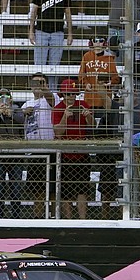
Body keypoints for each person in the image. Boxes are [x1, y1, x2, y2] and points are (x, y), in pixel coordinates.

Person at [52, 78, 94, 219]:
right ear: (62, 94)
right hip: (65, 154)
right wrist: (65, 116)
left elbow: (92, 126)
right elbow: (58, 132)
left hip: (81, 153)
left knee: (82, 190)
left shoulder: (83, 105)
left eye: (73, 93)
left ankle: (82, 220)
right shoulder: (58, 108)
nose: (70, 96)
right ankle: (69, 221)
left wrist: (88, 117)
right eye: (68, 93)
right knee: (66, 191)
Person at [22, 72, 61, 217]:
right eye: (35, 83)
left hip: (50, 149)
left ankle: (53, 217)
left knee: (51, 190)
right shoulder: (26, 104)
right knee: (36, 190)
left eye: (42, 82)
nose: (38, 85)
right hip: (33, 151)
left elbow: (51, 100)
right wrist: (23, 113)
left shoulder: (52, 98)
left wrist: (44, 88)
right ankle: (37, 218)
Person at [0, 87, 25, 218]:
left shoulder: (17, 109)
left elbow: (22, 120)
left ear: (11, 98)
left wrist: (10, 114)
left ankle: (16, 216)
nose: (4, 99)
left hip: (16, 154)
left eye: (7, 97)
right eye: (1, 97)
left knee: (16, 189)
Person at [28, 0, 73, 91]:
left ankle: (52, 91)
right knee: (39, 65)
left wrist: (70, 33)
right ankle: (38, 91)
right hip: (41, 32)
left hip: (58, 33)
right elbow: (34, 13)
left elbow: (68, 14)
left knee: (55, 66)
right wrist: (31, 31)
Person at [78, 36, 120, 135]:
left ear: (104, 43)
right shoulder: (86, 56)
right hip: (90, 100)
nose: (98, 43)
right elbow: (81, 75)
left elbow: (115, 78)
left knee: (104, 129)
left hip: (104, 101)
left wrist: (110, 83)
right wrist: (86, 84)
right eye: (95, 41)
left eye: (101, 41)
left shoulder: (109, 58)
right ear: (91, 42)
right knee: (90, 128)